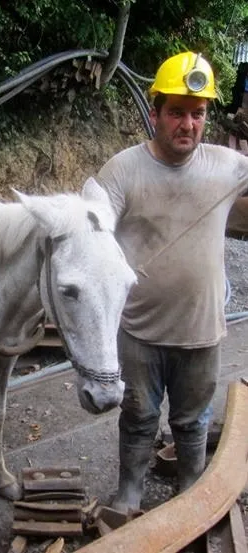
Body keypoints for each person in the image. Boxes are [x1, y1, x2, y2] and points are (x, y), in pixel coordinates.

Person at [84, 51, 248, 514]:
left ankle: (190, 493)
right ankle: (130, 491)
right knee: (137, 417)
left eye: (197, 114)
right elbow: (91, 227)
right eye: (176, 112)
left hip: (202, 333)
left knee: (194, 422)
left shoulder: (228, 167)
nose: (188, 125)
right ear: (154, 113)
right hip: (139, 331)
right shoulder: (123, 170)